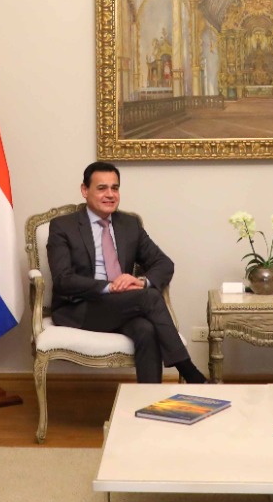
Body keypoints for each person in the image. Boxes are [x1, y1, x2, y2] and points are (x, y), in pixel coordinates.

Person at [46, 162, 207, 385]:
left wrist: (141, 281)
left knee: (146, 329)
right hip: (79, 307)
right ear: (85, 190)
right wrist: (109, 287)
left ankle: (149, 399)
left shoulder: (129, 224)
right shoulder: (63, 226)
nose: (110, 194)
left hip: (121, 305)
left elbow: (163, 263)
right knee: (150, 297)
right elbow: (63, 280)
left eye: (115, 188)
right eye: (102, 188)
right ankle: (190, 371)